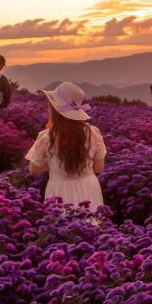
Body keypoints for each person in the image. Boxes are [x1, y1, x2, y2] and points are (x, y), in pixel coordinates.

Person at [25, 82, 106, 210]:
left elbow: (33, 169)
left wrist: (53, 163)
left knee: (62, 226)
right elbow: (98, 168)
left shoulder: (46, 137)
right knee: (91, 224)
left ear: (54, 110)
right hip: (89, 188)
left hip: (59, 192)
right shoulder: (93, 133)